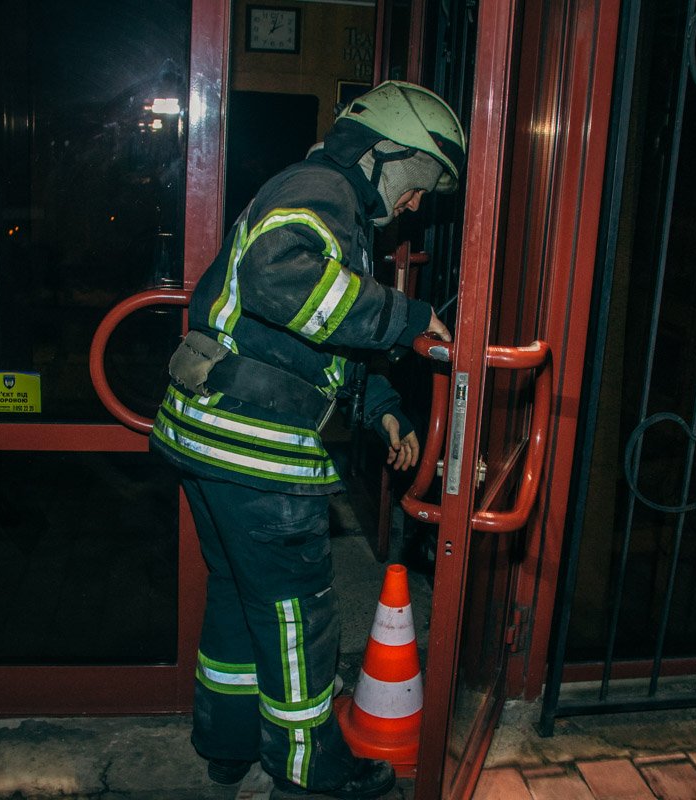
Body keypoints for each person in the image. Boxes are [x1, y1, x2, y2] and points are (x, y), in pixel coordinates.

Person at [150, 80, 465, 799]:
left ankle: (226, 743)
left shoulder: (314, 191)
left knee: (237, 594)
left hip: (205, 431)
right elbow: (280, 281)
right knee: (298, 611)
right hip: (253, 445)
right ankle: (308, 766)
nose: (416, 205)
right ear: (382, 154)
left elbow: (308, 338)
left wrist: (381, 403)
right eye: (418, 185)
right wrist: (405, 316)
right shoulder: (324, 190)